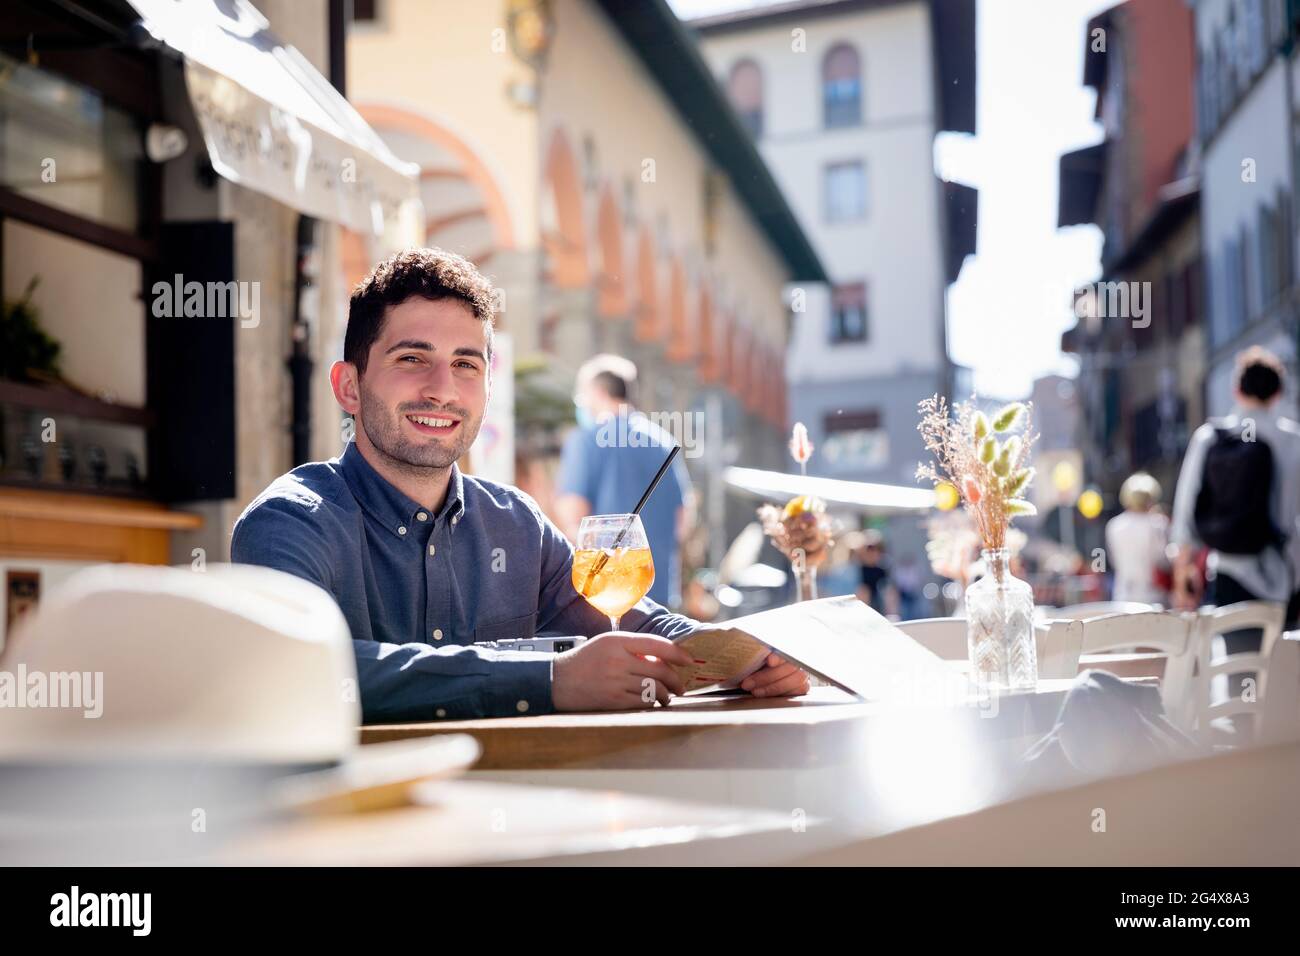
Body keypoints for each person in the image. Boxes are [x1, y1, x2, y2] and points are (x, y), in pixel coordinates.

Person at [231, 248, 808, 722]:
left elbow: (634, 622)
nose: (443, 389)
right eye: (412, 358)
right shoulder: (289, 523)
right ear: (349, 387)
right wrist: (550, 679)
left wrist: (742, 655)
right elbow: (303, 669)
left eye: (466, 364)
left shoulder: (517, 522)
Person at [1170, 346, 1300, 629]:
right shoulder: (1294, 440)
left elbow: (1186, 511)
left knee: (1237, 668)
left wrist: (1183, 577)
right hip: (1287, 576)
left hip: (1230, 573)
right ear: (1277, 394)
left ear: (1236, 391)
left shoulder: (1211, 438)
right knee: (1288, 669)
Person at [553, 355, 692, 608]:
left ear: (599, 392)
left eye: (582, 396)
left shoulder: (585, 440)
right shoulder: (662, 440)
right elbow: (683, 519)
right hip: (658, 594)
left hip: (606, 595)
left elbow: (573, 519)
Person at [1104, 472, 1169, 605]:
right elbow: (1162, 559)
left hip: (1123, 594)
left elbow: (1114, 559)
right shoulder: (1157, 524)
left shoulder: (1115, 525)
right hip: (1152, 595)